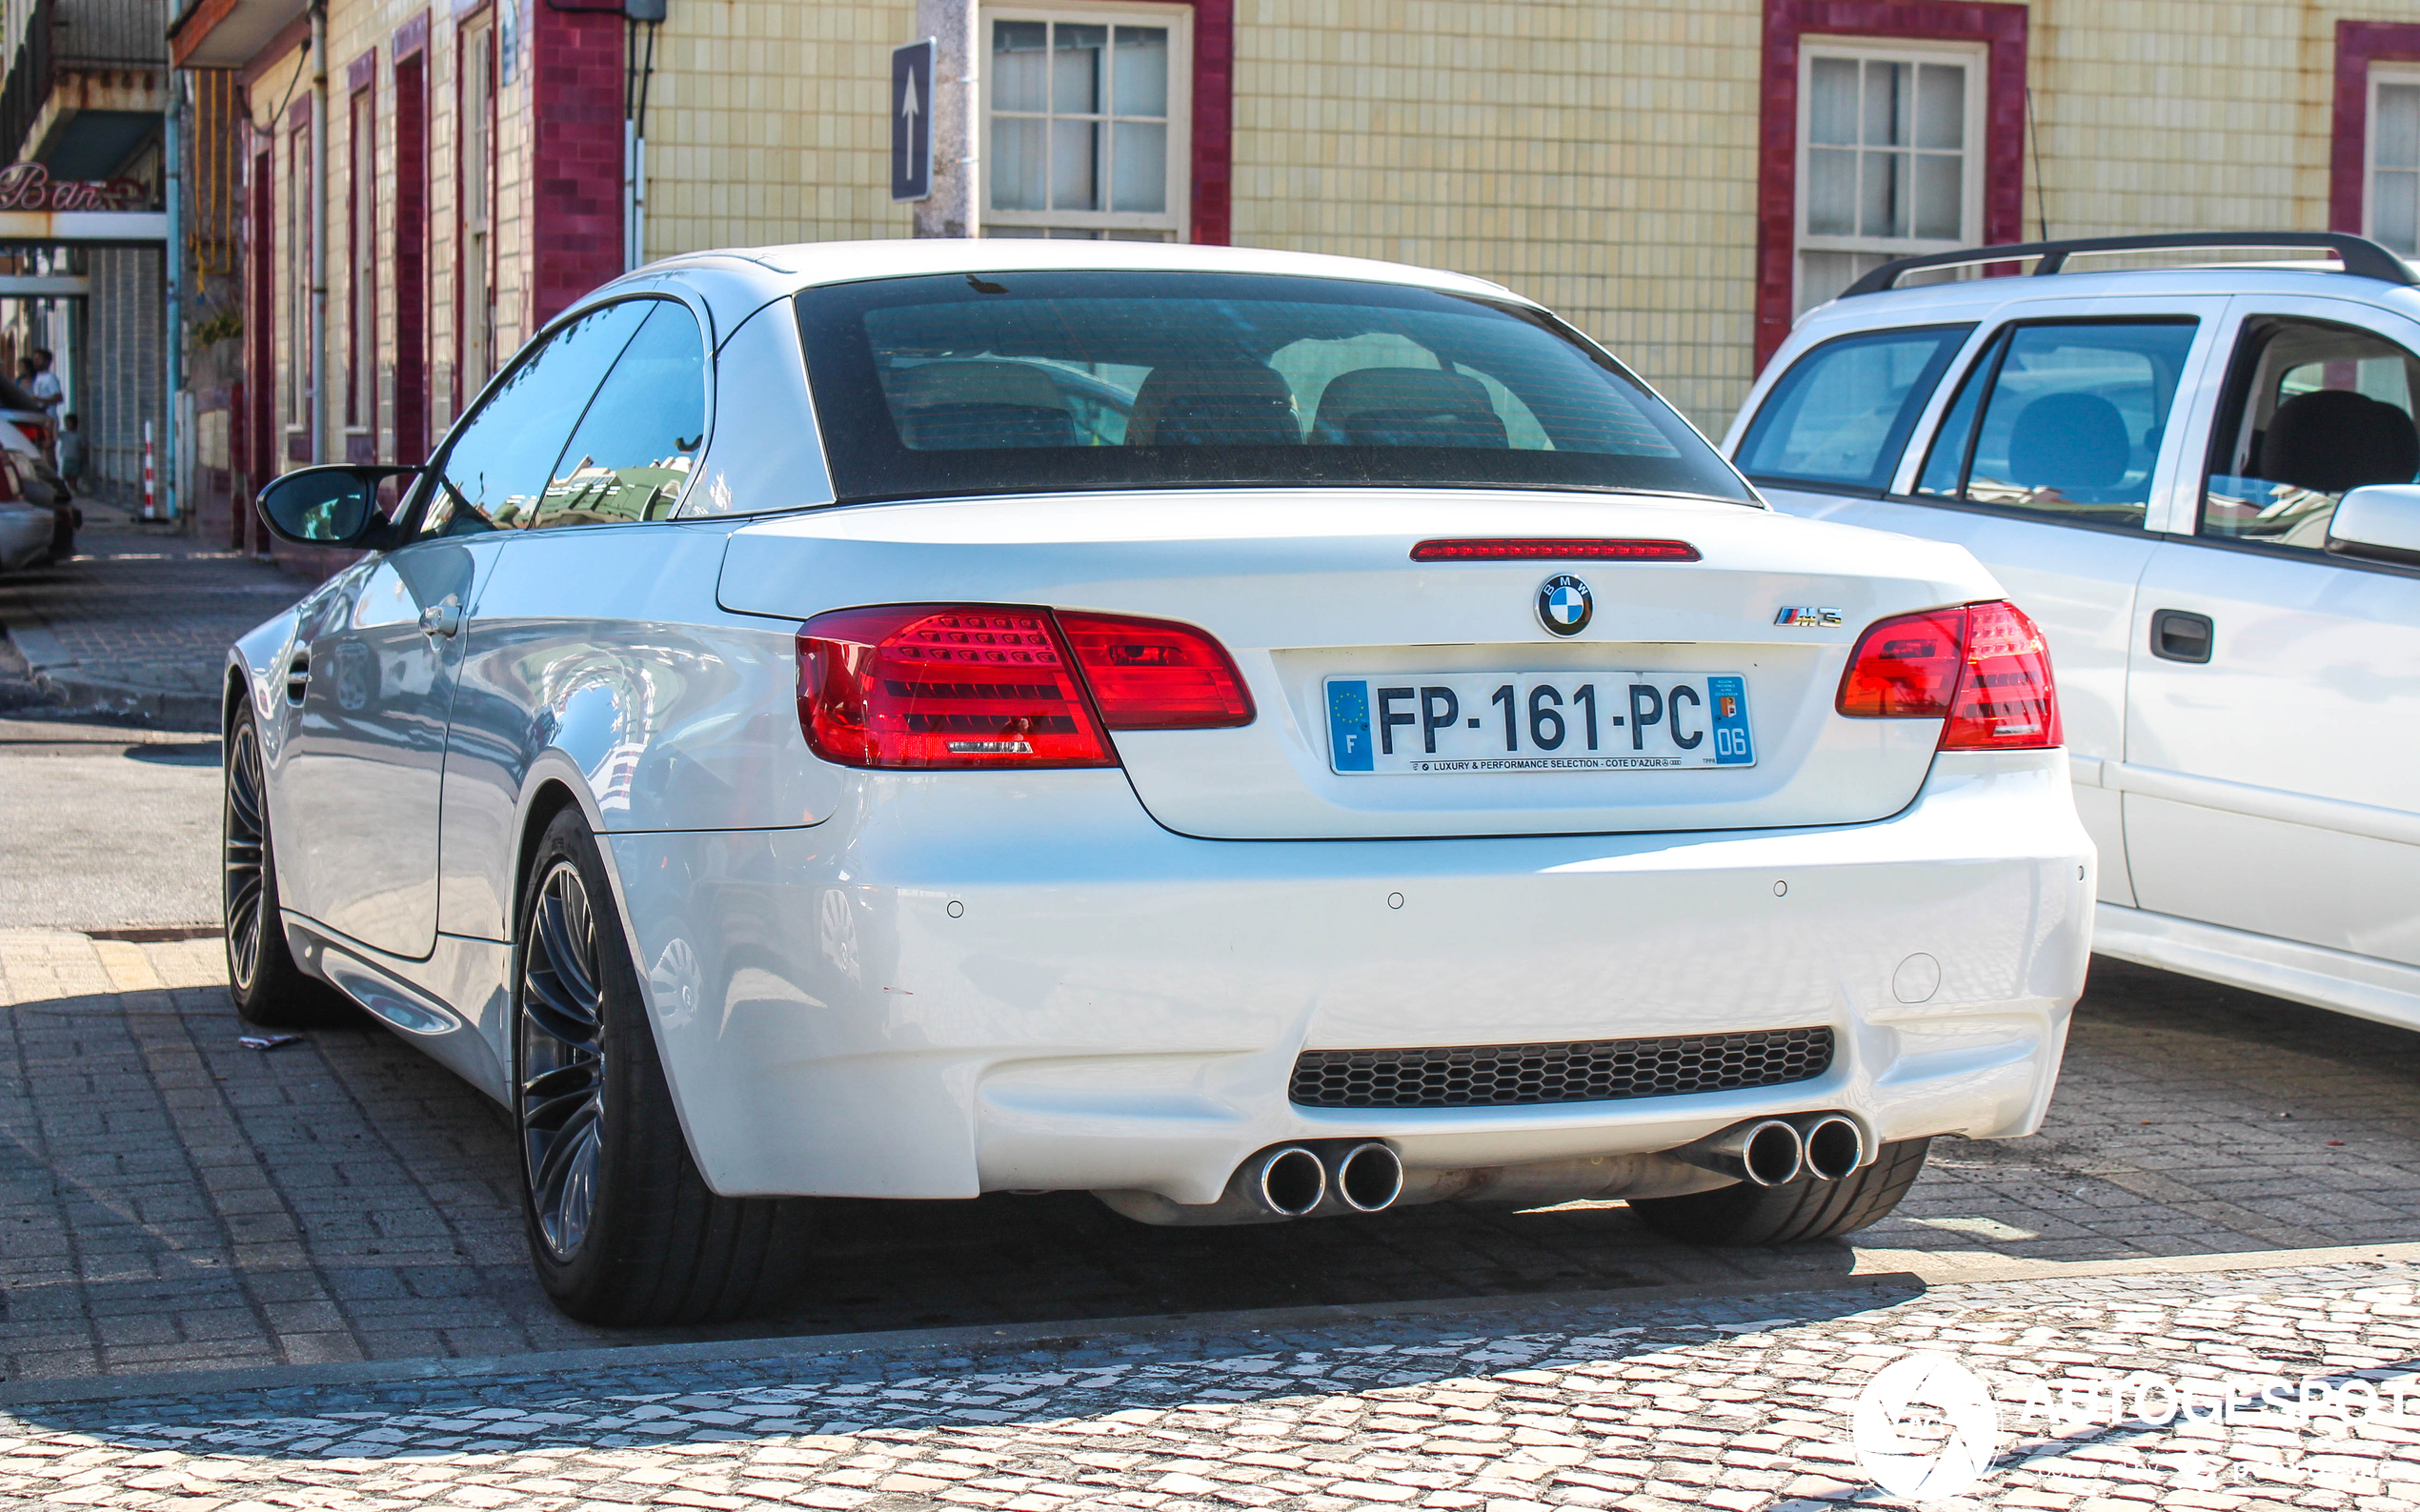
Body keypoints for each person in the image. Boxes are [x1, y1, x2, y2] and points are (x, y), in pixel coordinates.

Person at [55, 413, 83, 495]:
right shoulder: (63, 434)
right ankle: (69, 486)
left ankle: (73, 488)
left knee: (74, 475)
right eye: (66, 422)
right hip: (66, 457)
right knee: (66, 474)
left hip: (76, 458)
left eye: (69, 422)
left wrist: (84, 458)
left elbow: (83, 447)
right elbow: (56, 435)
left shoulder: (78, 436)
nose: (67, 424)